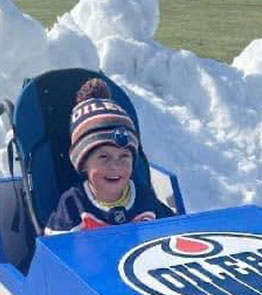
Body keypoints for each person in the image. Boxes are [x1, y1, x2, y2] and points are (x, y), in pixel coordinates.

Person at [45, 77, 173, 233]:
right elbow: (55, 248)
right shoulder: (73, 203)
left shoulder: (144, 198)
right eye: (104, 157)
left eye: (124, 157)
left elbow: (174, 229)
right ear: (84, 163)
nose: (115, 166)